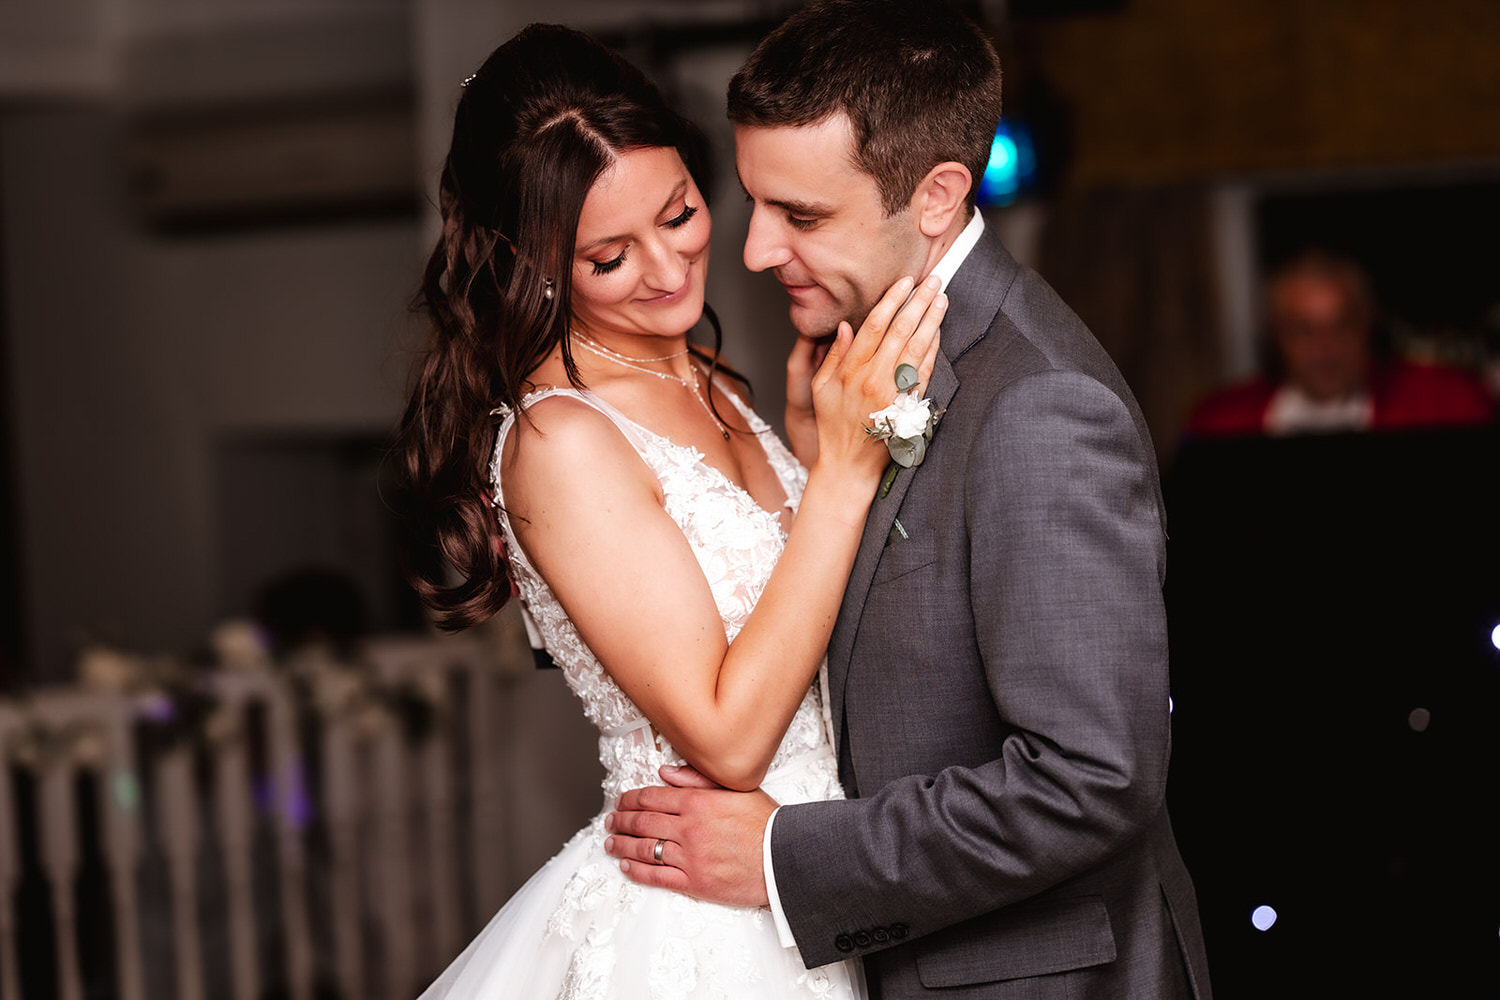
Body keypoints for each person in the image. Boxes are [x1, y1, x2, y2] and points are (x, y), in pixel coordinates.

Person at [604, 2, 1214, 997]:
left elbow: (1094, 781)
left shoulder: (1041, 403)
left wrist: (781, 856)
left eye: (802, 216)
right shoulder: (855, 361)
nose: (754, 251)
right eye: (755, 202)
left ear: (936, 198)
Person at [399, 22, 946, 999]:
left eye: (681, 212)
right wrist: (843, 475)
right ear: (533, 261)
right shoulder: (562, 442)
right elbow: (727, 738)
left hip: (815, 873)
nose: (666, 270)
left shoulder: (713, 375)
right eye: (608, 258)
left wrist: (811, 448)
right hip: (706, 929)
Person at [1185, 249, 1493, 437]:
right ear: (1274, 335)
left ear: (1367, 323)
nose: (1325, 347)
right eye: (1304, 330)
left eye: (1341, 326)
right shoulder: (1222, 423)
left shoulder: (1444, 406)